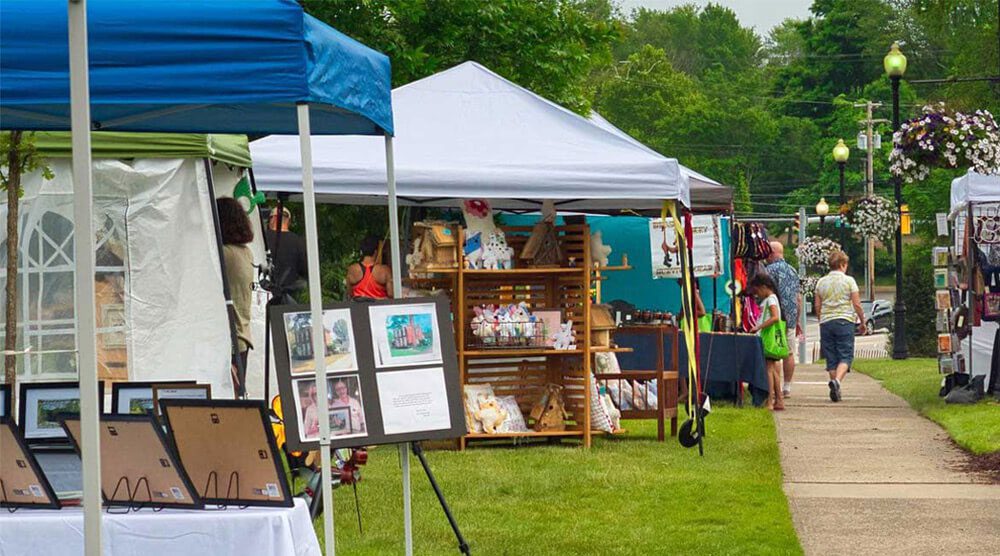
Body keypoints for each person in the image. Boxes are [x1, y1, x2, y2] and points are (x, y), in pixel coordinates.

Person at [814, 250, 867, 402]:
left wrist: (821, 319)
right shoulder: (849, 281)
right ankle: (837, 381)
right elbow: (856, 303)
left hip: (826, 322)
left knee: (831, 357)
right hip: (844, 320)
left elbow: (818, 305)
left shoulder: (821, 282)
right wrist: (862, 321)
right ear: (843, 264)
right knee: (845, 355)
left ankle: (835, 388)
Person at [217, 197, 255, 396]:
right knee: (237, 397)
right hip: (242, 335)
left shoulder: (224, 253)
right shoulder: (246, 252)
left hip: (228, 338)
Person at [765, 241, 802, 398]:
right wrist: (797, 319)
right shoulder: (793, 271)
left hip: (775, 316)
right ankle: (787, 387)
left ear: (772, 252)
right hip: (791, 316)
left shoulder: (768, 270)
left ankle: (775, 387)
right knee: (789, 352)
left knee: (773, 353)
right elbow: (798, 298)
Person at [749, 273, 784, 411]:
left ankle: (770, 400)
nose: (757, 294)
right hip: (769, 337)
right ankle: (779, 399)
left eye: (757, 291)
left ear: (764, 287)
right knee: (773, 369)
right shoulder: (771, 299)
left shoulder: (770, 300)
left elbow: (775, 317)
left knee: (768, 369)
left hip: (767, 337)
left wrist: (758, 327)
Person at [264, 205, 308, 297]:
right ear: (288, 221)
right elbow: (305, 271)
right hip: (288, 296)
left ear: (273, 219)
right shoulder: (298, 242)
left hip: (263, 292)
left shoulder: (262, 239)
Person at [346, 235, 392, 300]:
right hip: (379, 307)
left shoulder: (352, 269)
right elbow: (391, 294)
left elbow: (350, 293)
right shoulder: (384, 270)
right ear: (376, 252)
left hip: (358, 308)